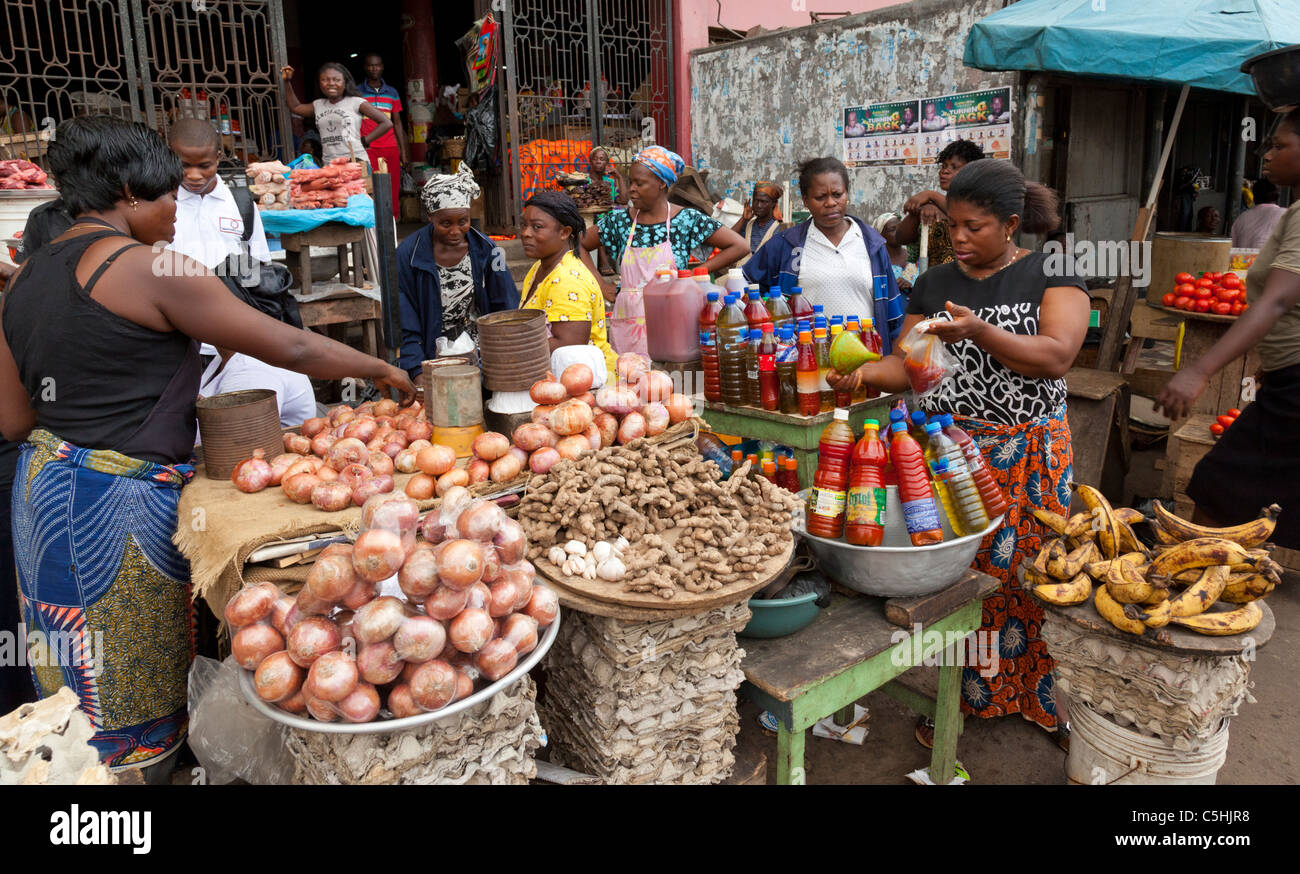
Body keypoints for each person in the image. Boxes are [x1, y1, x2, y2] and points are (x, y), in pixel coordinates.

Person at [0, 116, 414, 773]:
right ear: (132, 191)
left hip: (41, 495)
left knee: (72, 689)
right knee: (134, 694)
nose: (175, 214)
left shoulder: (25, 278)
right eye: (168, 198)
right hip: (117, 509)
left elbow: (14, 419)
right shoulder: (148, 265)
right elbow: (292, 343)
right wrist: (384, 369)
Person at [829, 160, 1089, 747]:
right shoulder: (935, 282)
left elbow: (1056, 355)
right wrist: (865, 372)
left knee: (1030, 575)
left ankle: (1039, 698)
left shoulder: (1053, 270)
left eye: (974, 226)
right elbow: (910, 365)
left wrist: (981, 333)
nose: (961, 238)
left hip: (1030, 454)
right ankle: (968, 696)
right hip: (952, 454)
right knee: (965, 581)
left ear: (1011, 224)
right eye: (953, 226)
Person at [1156, 110, 1300, 549]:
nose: (1267, 155)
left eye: (1280, 145)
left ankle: (1195, 576)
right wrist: (1270, 367)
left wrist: (1200, 370)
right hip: (1287, 378)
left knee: (1217, 485)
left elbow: (1277, 299)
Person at [742, 157, 905, 352]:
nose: (830, 203)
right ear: (805, 200)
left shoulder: (873, 245)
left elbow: (894, 319)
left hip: (867, 361)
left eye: (837, 194)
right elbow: (745, 284)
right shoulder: (786, 245)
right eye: (820, 197)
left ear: (847, 194)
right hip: (809, 361)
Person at [579, 145, 747, 305]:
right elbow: (578, 244)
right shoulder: (618, 221)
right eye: (630, 182)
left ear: (661, 183)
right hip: (629, 321)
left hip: (674, 314)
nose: (631, 189)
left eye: (639, 183)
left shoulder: (686, 220)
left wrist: (696, 272)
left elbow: (740, 246)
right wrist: (600, 284)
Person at [396, 164, 518, 379]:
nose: (455, 231)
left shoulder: (489, 251)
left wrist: (505, 353)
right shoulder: (408, 255)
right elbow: (406, 316)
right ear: (430, 216)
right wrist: (415, 369)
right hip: (431, 352)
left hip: (479, 351)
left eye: (463, 222)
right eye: (445, 223)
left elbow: (505, 303)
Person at [519, 191, 617, 385]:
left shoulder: (567, 279)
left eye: (537, 227)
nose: (525, 233)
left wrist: (511, 349)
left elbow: (568, 345)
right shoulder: (539, 267)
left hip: (587, 384)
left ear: (564, 232)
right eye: (523, 225)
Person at [167, 119, 270, 270]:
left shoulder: (241, 204)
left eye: (204, 166)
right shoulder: (162, 205)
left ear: (217, 158)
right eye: (184, 165)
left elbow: (258, 263)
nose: (194, 175)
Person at [893, 139, 985, 267]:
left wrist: (931, 195)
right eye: (944, 166)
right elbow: (901, 238)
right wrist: (915, 213)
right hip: (935, 283)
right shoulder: (933, 206)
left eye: (954, 167)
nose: (944, 171)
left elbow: (964, 214)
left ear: (972, 172)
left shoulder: (982, 202)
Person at [280, 63, 392, 166]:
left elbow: (386, 123)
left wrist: (365, 141)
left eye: (336, 80)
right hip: (330, 164)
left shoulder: (356, 102)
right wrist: (287, 82)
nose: (331, 83)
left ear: (345, 83)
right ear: (320, 84)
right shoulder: (318, 105)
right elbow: (295, 107)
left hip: (355, 162)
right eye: (325, 80)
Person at [359, 53, 408, 208]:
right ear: (365, 68)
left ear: (382, 67)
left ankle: (392, 219)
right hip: (368, 147)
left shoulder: (392, 93)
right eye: (370, 65)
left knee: (392, 186)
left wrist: (403, 151)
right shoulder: (357, 92)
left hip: (390, 147)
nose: (374, 68)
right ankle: (373, 223)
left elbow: (397, 123)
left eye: (377, 65)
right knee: (369, 187)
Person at [731, 182, 787, 267]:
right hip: (741, 274)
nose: (758, 205)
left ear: (773, 204)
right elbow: (728, 240)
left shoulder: (778, 228)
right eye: (756, 201)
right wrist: (743, 219)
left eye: (763, 202)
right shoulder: (747, 225)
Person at [872, 212, 918, 294]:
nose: (898, 232)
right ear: (880, 235)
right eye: (892, 229)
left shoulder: (914, 257)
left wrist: (911, 287)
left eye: (900, 228)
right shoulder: (877, 263)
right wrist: (892, 287)